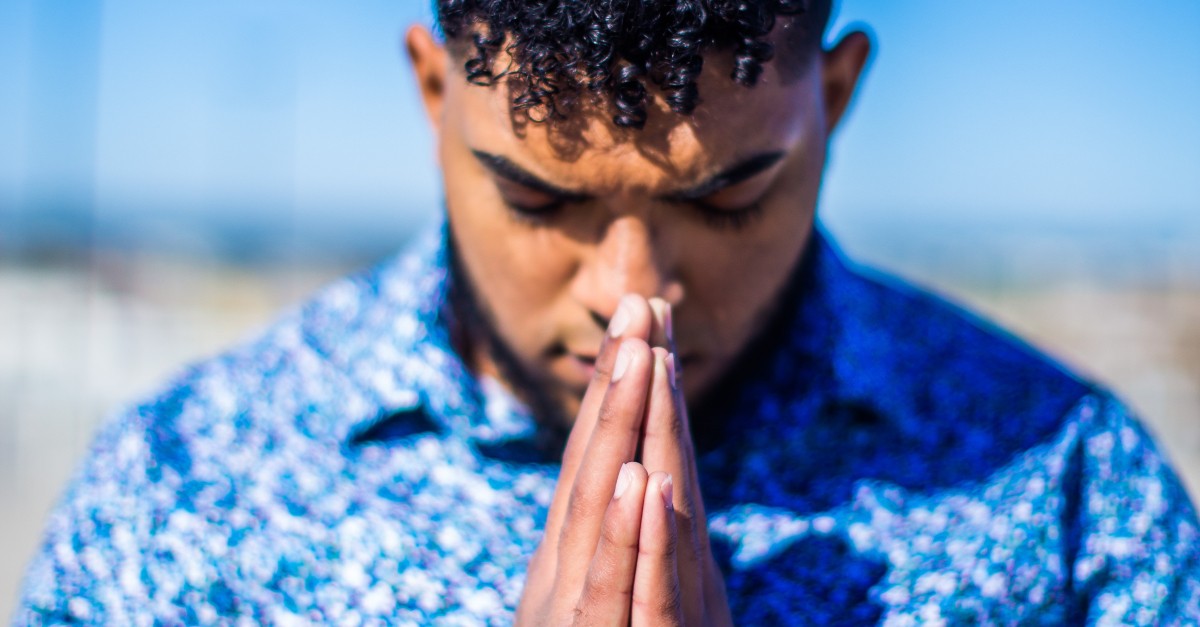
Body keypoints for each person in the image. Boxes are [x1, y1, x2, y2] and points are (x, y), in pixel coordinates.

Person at [15, 1, 1200, 624]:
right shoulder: (191, 488)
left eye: (730, 194)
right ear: (435, 97)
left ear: (833, 102)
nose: (633, 296)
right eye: (538, 197)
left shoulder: (1067, 495)